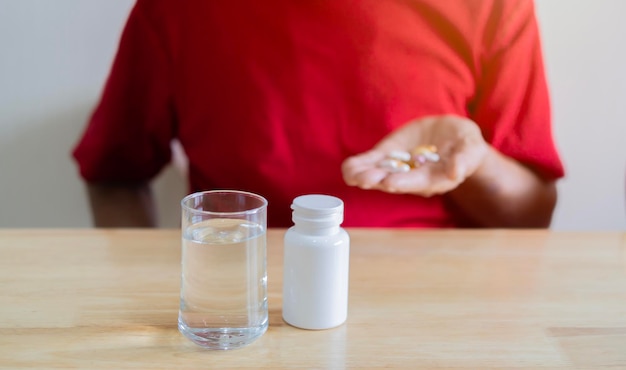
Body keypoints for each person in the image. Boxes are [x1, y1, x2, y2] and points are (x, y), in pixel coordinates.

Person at [72, 0, 564, 228]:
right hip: (241, 300)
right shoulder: (176, 11)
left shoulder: (493, 7)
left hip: (435, 309)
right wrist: (160, 282)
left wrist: (472, 165)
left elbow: (533, 214)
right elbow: (113, 175)